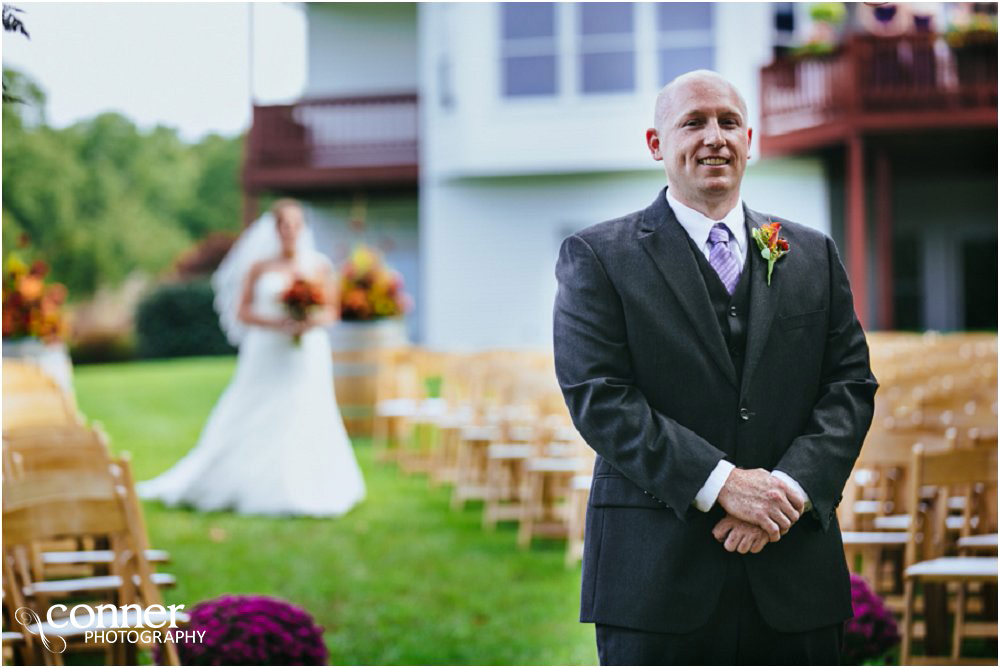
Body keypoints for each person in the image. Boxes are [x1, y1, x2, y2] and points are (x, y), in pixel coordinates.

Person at [552, 70, 878, 664]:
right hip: (656, 578)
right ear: (656, 144)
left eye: (729, 122)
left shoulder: (812, 254)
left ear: (750, 140)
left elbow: (850, 387)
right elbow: (599, 397)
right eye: (693, 122)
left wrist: (786, 492)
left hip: (794, 575)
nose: (715, 138)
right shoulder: (599, 257)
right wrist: (724, 484)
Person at [138, 199, 366, 517]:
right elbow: (242, 311)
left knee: (306, 409)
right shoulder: (259, 267)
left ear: (303, 229)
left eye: (295, 225)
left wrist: (308, 322)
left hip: (307, 352)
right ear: (275, 230)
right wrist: (278, 323)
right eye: (284, 225)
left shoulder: (319, 266)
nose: (290, 232)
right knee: (257, 408)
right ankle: (241, 481)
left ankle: (309, 482)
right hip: (268, 349)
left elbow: (331, 311)